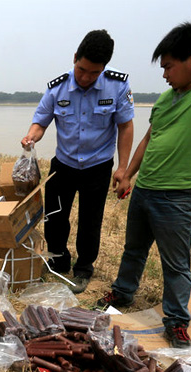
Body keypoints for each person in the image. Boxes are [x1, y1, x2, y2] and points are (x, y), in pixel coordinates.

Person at [97, 23, 191, 348]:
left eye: (168, 66)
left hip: (177, 197)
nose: (164, 74)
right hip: (145, 190)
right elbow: (149, 139)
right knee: (133, 249)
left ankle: (176, 322)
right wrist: (127, 173)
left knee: (175, 264)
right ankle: (122, 293)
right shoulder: (166, 99)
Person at [20, 30, 134, 294]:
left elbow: (126, 127)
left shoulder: (117, 86)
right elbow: (41, 122)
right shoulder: (57, 87)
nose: (85, 78)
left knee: (90, 221)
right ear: (74, 59)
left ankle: (84, 268)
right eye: (81, 69)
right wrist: (31, 137)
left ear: (104, 68)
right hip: (64, 164)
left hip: (98, 165)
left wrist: (123, 167)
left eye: (93, 73)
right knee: (55, 217)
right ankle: (58, 262)